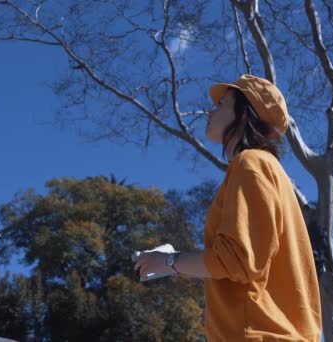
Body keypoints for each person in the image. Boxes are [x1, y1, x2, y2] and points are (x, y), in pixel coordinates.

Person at [133, 74, 322, 341]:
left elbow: (237, 260)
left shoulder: (251, 163)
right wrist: (172, 261)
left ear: (246, 113)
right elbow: (243, 262)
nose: (211, 110)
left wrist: (168, 262)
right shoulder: (267, 169)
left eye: (222, 104)